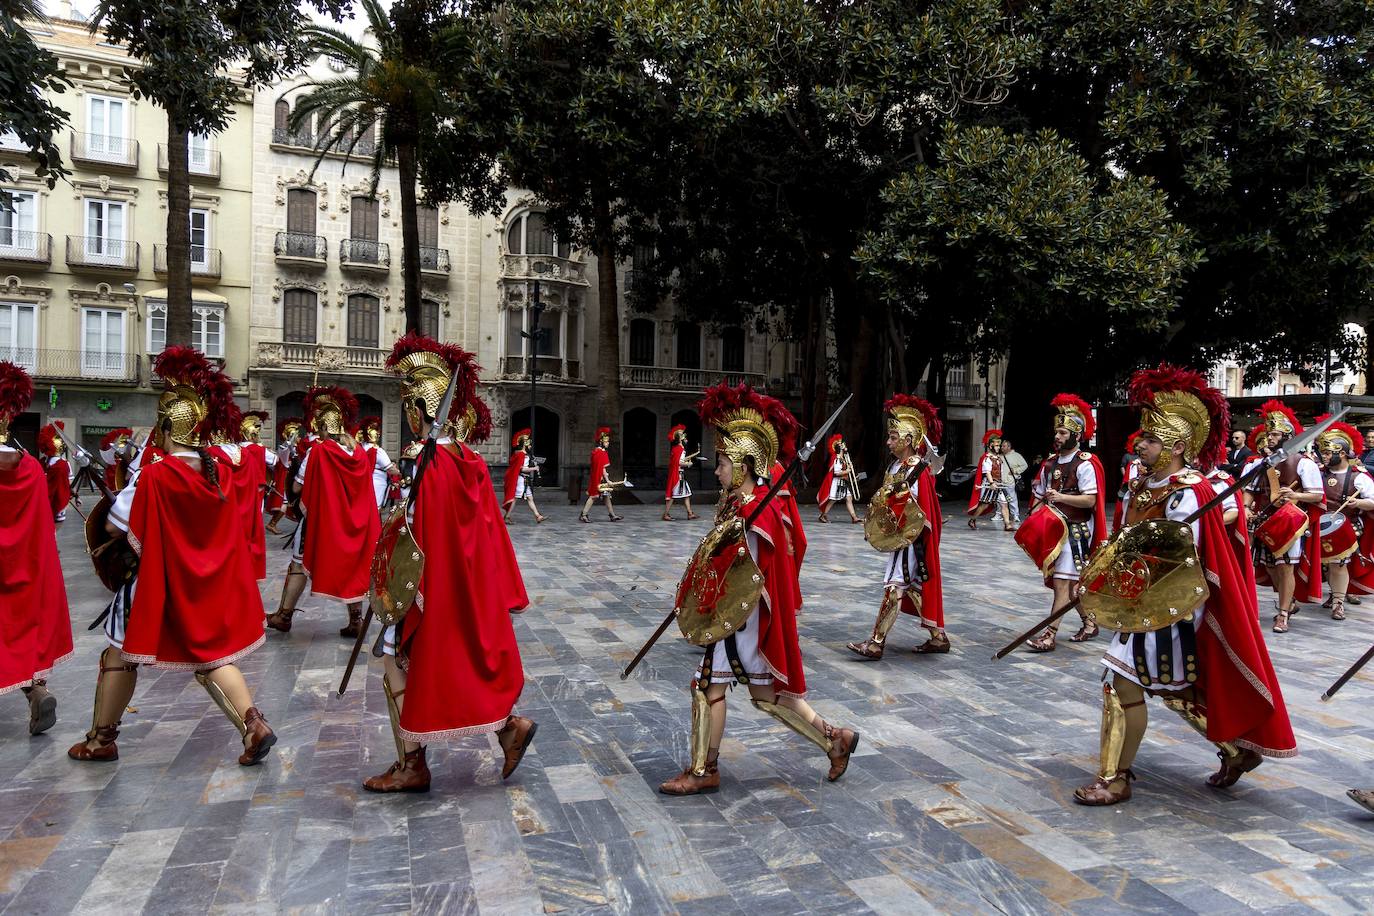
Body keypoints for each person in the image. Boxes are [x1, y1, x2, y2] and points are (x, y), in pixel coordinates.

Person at [1075, 364, 1295, 806]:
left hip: (1163, 608)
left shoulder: (1188, 492)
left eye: (1152, 439)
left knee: (1120, 682)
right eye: (1144, 437)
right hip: (1137, 603)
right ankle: (1235, 750)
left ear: (1177, 446)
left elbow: (1175, 560)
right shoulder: (1146, 484)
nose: (1142, 444)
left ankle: (1114, 779)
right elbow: (1124, 542)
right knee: (1166, 685)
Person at [68, 347, 275, 766]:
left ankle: (100, 739)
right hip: (204, 582)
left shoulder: (155, 475)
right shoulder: (215, 471)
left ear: (167, 429)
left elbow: (115, 527)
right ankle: (253, 723)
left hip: (158, 583)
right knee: (214, 658)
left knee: (116, 653)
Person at [659, 382, 858, 795]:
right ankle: (834, 738)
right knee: (768, 695)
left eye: (723, 463)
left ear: (744, 465)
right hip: (740, 619)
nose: (717, 471)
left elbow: (749, 574)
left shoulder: (758, 510)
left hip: (742, 621)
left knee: (706, 686)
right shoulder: (746, 505)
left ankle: (703, 770)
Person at [364, 334, 536, 792]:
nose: (408, 415)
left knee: (393, 662)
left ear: (421, 408)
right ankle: (506, 729)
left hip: (430, 587)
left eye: (410, 406)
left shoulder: (425, 460)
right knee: (453, 666)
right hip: (465, 584)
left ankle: (411, 764)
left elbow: (411, 532)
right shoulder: (469, 460)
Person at [266, 385, 381, 638]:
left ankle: (284, 615)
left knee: (298, 565)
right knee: (354, 568)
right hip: (355, 522)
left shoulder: (318, 451)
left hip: (323, 522)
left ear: (322, 428)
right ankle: (356, 620)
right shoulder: (359, 452)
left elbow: (297, 487)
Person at [0, 362, 73, 736]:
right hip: (22, 568)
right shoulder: (29, 467)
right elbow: (39, 524)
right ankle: (36, 691)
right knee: (18, 632)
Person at [846, 394, 947, 658]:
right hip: (898, 536)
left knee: (894, 585)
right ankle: (939, 637)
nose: (888, 442)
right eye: (889, 437)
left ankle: (876, 643)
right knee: (910, 587)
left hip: (909, 540)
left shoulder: (917, 468)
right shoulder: (896, 465)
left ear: (910, 440)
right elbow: (887, 501)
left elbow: (916, 509)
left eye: (893, 437)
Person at [1018, 393, 1109, 652]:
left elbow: (1091, 500)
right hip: (1055, 531)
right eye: (1056, 432)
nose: (1057, 437)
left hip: (1076, 532)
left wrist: (1061, 496)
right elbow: (1039, 496)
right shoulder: (1050, 463)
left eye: (1061, 432)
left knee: (1062, 583)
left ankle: (1049, 635)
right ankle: (1090, 624)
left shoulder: (1086, 463)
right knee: (1069, 587)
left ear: (1076, 434)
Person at [1245, 400, 1324, 635]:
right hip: (1264, 521)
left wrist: (1295, 494)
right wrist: (1247, 508)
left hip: (1288, 522)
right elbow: (1250, 490)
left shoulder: (1303, 463)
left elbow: (1317, 495)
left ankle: (1283, 614)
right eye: (1268, 434)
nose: (1269, 438)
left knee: (1286, 568)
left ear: (1287, 436)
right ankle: (1287, 602)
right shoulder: (1259, 463)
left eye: (1275, 434)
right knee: (1270, 567)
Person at [1308, 416, 1374, 623]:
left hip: (1348, 526)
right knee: (1326, 564)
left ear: (1343, 453)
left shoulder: (1359, 476)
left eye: (1328, 452)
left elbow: (1373, 501)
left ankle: (1338, 602)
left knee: (1338, 563)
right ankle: (1335, 593)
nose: (1324, 456)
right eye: (1323, 452)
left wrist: (1359, 504)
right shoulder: (1317, 473)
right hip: (1320, 525)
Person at [967, 428, 1014, 531]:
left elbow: (1000, 472)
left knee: (1004, 503)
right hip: (990, 484)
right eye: (996, 445)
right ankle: (972, 520)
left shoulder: (998, 458)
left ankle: (1007, 524)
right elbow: (987, 472)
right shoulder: (987, 458)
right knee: (985, 504)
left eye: (999, 445)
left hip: (999, 484)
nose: (998, 447)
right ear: (991, 446)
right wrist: (992, 483)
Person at [265, 416, 302, 534]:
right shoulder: (284, 449)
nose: (299, 438)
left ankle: (273, 524)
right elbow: (285, 452)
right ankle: (272, 524)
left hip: (294, 479)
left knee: (288, 504)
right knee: (284, 504)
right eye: (296, 435)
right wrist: (290, 440)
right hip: (285, 480)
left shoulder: (296, 449)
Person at [502, 428, 548, 523]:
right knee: (515, 498)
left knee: (530, 498)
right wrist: (534, 469)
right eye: (528, 442)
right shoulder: (521, 455)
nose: (530, 444)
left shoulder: (523, 454)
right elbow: (521, 469)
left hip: (524, 480)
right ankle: (507, 516)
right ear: (524, 444)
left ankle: (537, 516)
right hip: (521, 480)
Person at [580, 426, 624, 522]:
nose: (608, 444)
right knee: (593, 496)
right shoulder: (601, 452)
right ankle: (584, 514)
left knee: (606, 496)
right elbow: (602, 468)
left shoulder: (596, 451)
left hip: (597, 476)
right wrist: (607, 480)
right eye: (606, 442)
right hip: (598, 478)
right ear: (601, 442)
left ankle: (612, 515)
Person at [357, 415, 400, 511]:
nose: (378, 433)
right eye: (376, 429)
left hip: (362, 484)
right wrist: (400, 473)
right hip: (377, 484)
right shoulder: (378, 451)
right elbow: (391, 470)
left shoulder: (359, 448)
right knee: (375, 511)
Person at [816, 434, 860, 524]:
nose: (845, 447)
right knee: (833, 499)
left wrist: (852, 475)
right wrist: (847, 471)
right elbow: (836, 473)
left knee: (849, 498)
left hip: (843, 482)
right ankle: (823, 515)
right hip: (837, 483)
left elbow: (844, 471)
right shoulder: (836, 459)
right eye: (842, 446)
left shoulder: (843, 459)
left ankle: (854, 517)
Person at [663, 424, 701, 521]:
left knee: (686, 494)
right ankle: (666, 514)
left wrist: (687, 460)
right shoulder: (680, 449)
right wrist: (688, 464)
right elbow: (679, 462)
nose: (684, 436)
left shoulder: (676, 448)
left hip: (679, 475)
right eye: (682, 435)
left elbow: (677, 461)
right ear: (679, 438)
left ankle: (689, 513)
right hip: (678, 476)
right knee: (673, 495)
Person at [37, 422, 71, 523]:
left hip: (44, 501)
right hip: (55, 500)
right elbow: (68, 484)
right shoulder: (63, 464)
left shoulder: (42, 461)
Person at [1000, 437, 1028, 523]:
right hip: (1000, 481)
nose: (1002, 447)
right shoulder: (999, 456)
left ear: (1009, 447)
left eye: (1004, 446)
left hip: (1010, 481)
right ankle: (999, 514)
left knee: (1011, 498)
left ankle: (1015, 515)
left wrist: (1015, 471)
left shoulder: (1016, 455)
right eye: (1002, 446)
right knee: (999, 500)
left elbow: (1024, 465)